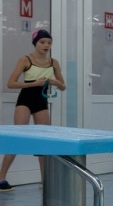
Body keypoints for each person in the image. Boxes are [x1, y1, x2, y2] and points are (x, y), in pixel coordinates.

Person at [0, 29, 66, 192]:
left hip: (41, 102)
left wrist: (53, 82)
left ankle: (45, 180)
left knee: (43, 142)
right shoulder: (25, 59)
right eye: (42, 42)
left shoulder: (53, 62)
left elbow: (63, 86)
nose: (46, 45)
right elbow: (11, 83)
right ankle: (1, 178)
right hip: (25, 100)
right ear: (35, 43)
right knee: (17, 139)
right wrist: (33, 83)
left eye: (49, 43)